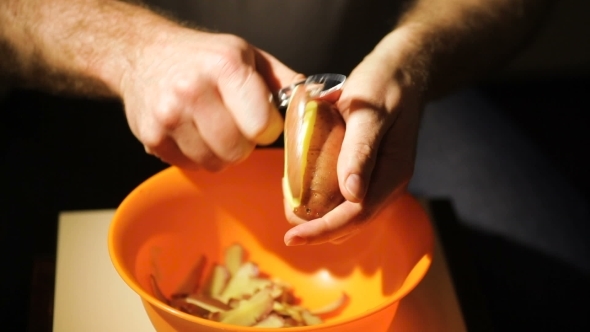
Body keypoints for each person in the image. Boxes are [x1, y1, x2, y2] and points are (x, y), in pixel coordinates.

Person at [0, 0, 556, 247]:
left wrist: (416, 55)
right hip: (98, 95)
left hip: (389, 91)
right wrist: (128, 51)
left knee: (552, 280)